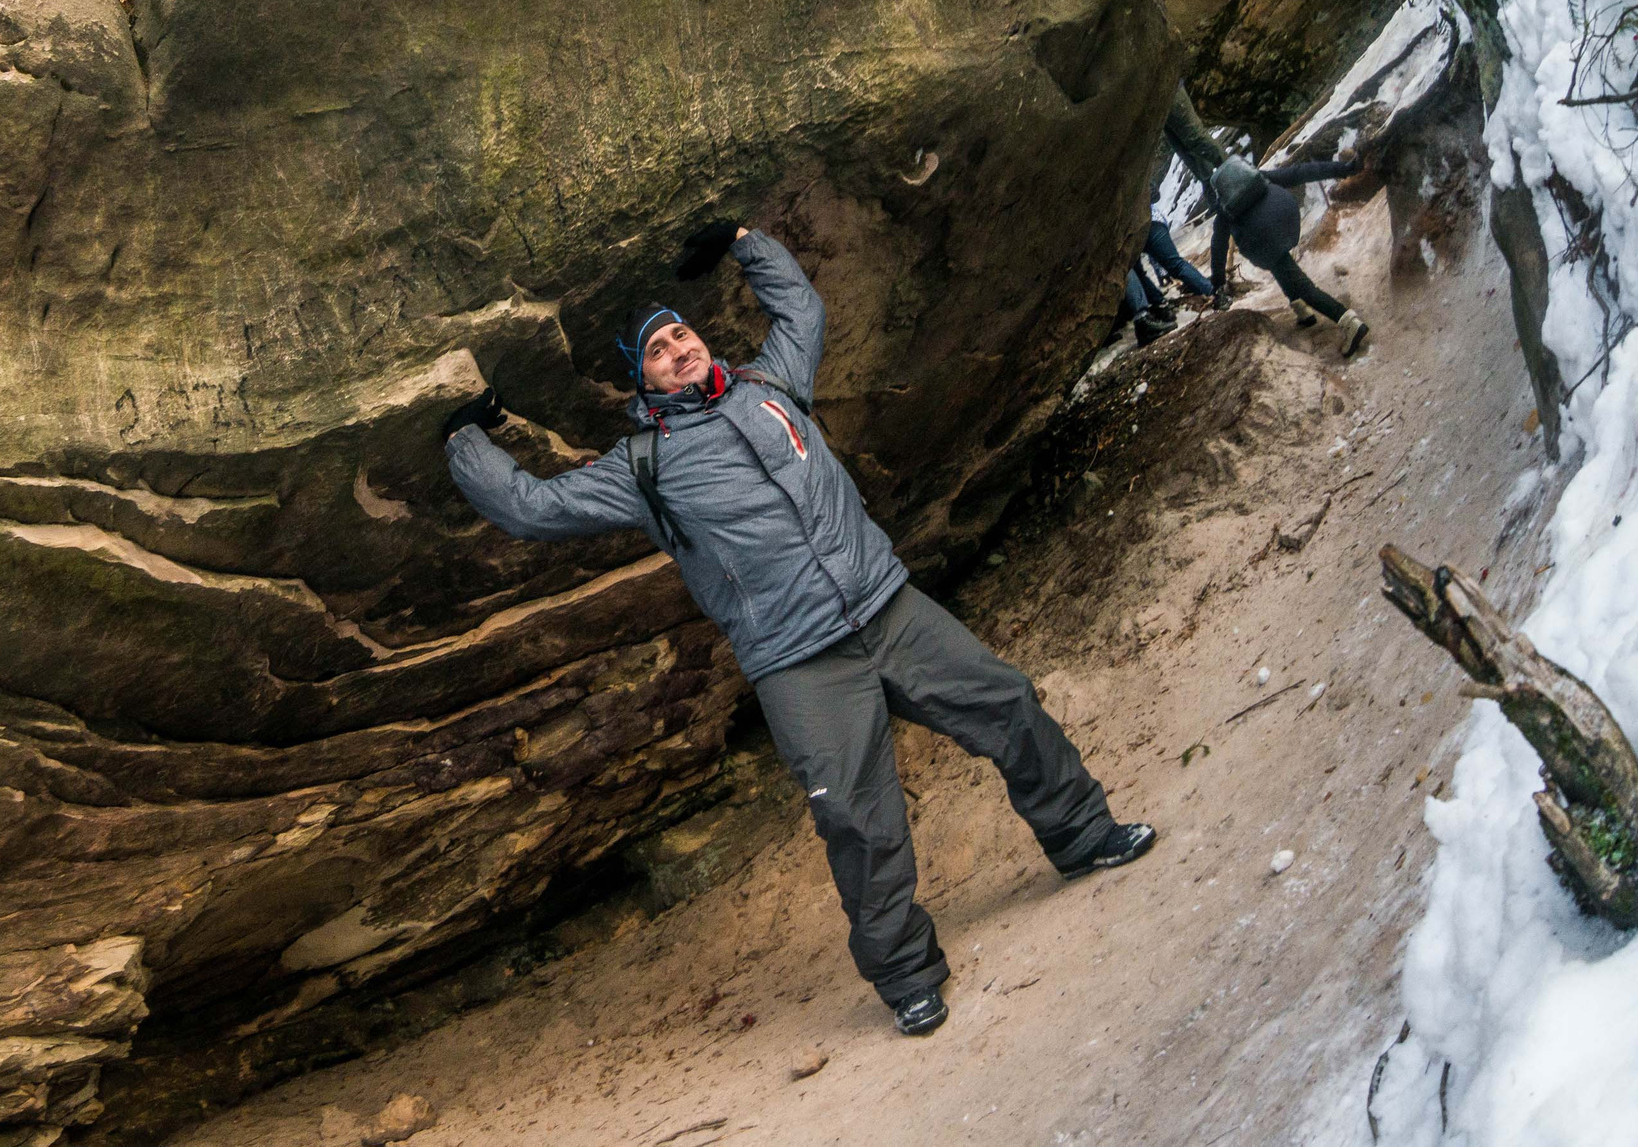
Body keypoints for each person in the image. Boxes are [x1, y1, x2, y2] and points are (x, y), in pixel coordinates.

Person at [440, 222, 1155, 1039]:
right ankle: (908, 978)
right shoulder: (641, 467)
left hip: (884, 604)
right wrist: (465, 438)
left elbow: (803, 310)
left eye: (681, 333)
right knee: (857, 819)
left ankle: (1086, 836)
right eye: (658, 351)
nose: (677, 349)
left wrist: (745, 240)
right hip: (798, 664)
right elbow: (533, 509)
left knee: (1010, 704)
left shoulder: (771, 384)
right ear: (640, 379)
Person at [1162, 86, 1371, 357]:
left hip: (1265, 240)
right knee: (1281, 265)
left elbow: (1218, 245)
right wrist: (1345, 169)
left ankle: (1349, 322)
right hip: (1286, 215)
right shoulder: (1258, 176)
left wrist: (1216, 285)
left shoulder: (1225, 209)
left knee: (1297, 280)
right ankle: (1300, 309)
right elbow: (1301, 172)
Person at [1115, 218, 1214, 346]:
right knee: (1171, 265)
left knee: (1126, 267)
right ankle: (1212, 292)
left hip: (1134, 230)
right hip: (1148, 223)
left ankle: (1149, 315)